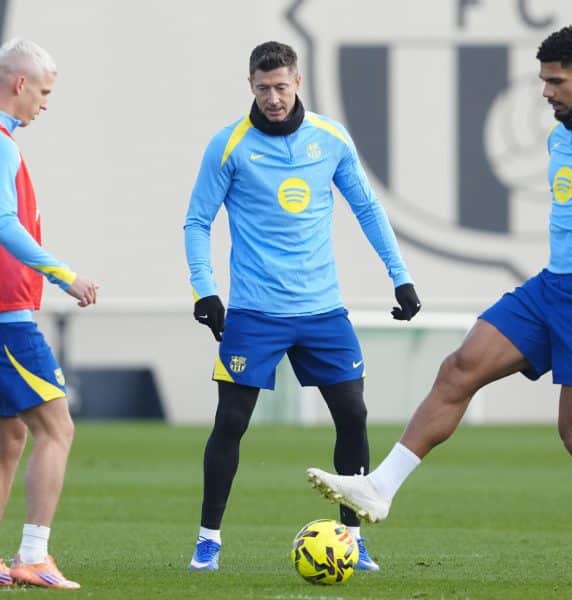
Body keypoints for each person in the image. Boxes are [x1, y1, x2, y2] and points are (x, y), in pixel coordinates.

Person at [306, 25, 572, 588]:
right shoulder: (561, 135)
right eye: (542, 81)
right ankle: (379, 488)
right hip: (552, 287)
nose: (545, 93)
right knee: (458, 368)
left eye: (555, 82)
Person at [183, 40, 421, 573]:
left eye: (281, 87)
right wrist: (205, 289)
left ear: (298, 83)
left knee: (354, 414)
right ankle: (208, 540)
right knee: (231, 422)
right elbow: (198, 221)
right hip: (254, 313)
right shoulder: (229, 147)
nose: (273, 97)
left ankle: (352, 540)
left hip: (322, 312)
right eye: (263, 88)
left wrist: (400, 277)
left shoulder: (330, 139)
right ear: (250, 85)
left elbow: (367, 207)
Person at [0, 38, 97, 589]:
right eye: (45, 92)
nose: (45, 104)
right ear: (19, 84)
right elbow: (4, 226)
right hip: (1, 318)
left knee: (6, 441)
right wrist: (65, 274)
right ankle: (33, 555)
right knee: (58, 429)